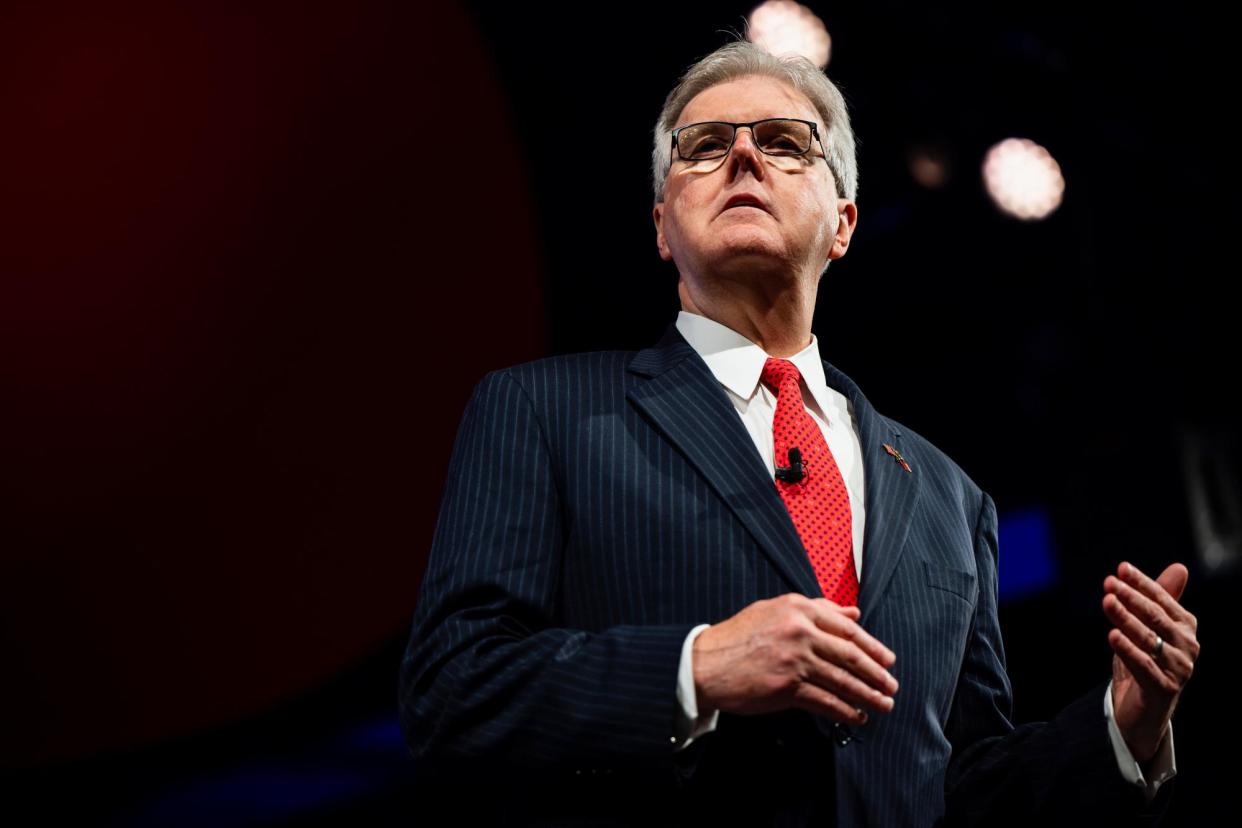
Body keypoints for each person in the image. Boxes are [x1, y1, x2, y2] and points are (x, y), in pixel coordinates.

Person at [398, 40, 1197, 826]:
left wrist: (1121, 731)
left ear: (843, 223)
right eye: (704, 146)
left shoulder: (952, 497)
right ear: (660, 226)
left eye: (784, 142)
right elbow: (452, 689)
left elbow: (958, 783)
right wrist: (696, 668)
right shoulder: (542, 412)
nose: (743, 154)